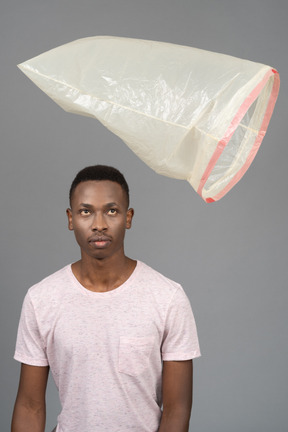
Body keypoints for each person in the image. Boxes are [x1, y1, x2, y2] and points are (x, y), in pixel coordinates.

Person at [11, 165, 201, 432]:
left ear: (128, 217)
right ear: (70, 218)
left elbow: (176, 410)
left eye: (111, 210)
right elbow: (29, 406)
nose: (99, 224)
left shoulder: (167, 297)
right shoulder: (41, 299)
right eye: (85, 211)